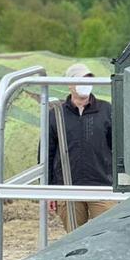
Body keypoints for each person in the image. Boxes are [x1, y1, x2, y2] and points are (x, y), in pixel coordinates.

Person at [44, 63, 113, 231]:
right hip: (68, 188)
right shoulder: (56, 114)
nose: (85, 83)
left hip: (102, 186)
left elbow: (117, 147)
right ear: (69, 84)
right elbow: (47, 153)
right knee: (74, 238)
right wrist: (49, 190)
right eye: (81, 79)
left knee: (107, 235)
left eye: (89, 79)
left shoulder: (106, 110)